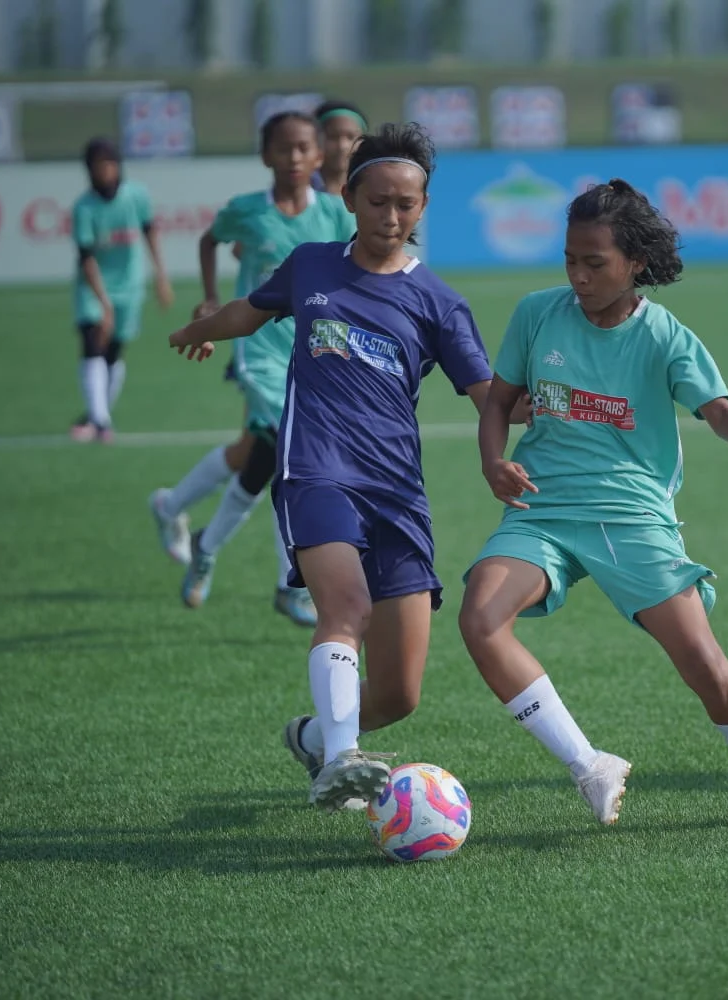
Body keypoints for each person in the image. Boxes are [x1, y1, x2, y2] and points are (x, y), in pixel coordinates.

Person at [458, 179, 728, 832]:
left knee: (705, 668)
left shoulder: (666, 337)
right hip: (543, 510)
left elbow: (722, 417)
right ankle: (588, 765)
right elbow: (497, 404)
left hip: (632, 519)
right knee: (481, 617)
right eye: (570, 258)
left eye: (594, 263)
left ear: (637, 264)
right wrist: (493, 462)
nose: (578, 274)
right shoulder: (538, 313)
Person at [167, 123, 502, 812]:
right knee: (343, 607)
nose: (391, 216)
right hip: (315, 468)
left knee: (400, 695)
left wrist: (558, 401)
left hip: (397, 491)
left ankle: (317, 737)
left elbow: (489, 397)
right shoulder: (312, 265)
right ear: (349, 197)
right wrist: (199, 328)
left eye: (406, 204)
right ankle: (341, 760)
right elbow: (249, 313)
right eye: (377, 200)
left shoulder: (439, 301)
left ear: (424, 207)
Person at [151, 111, 355, 628]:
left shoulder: (333, 213)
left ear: (318, 156)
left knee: (264, 457)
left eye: (303, 148)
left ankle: (207, 543)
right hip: (259, 352)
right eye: (283, 148)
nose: (293, 157)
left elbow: (351, 271)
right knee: (294, 459)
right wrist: (212, 300)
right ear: (266, 155)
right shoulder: (248, 211)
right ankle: (293, 585)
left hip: (313, 351)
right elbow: (210, 239)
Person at [70, 137, 172, 442]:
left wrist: (160, 276)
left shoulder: (136, 196)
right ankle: (101, 423)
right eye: (98, 165)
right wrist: (103, 303)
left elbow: (149, 231)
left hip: (129, 287)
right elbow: (86, 258)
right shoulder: (83, 208)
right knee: (92, 343)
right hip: (94, 288)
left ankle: (94, 416)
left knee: (114, 351)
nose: (105, 171)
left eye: (109, 163)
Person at [313, 99, 368, 195]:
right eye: (332, 136)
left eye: (351, 137)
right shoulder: (301, 190)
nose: (342, 146)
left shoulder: (372, 189)